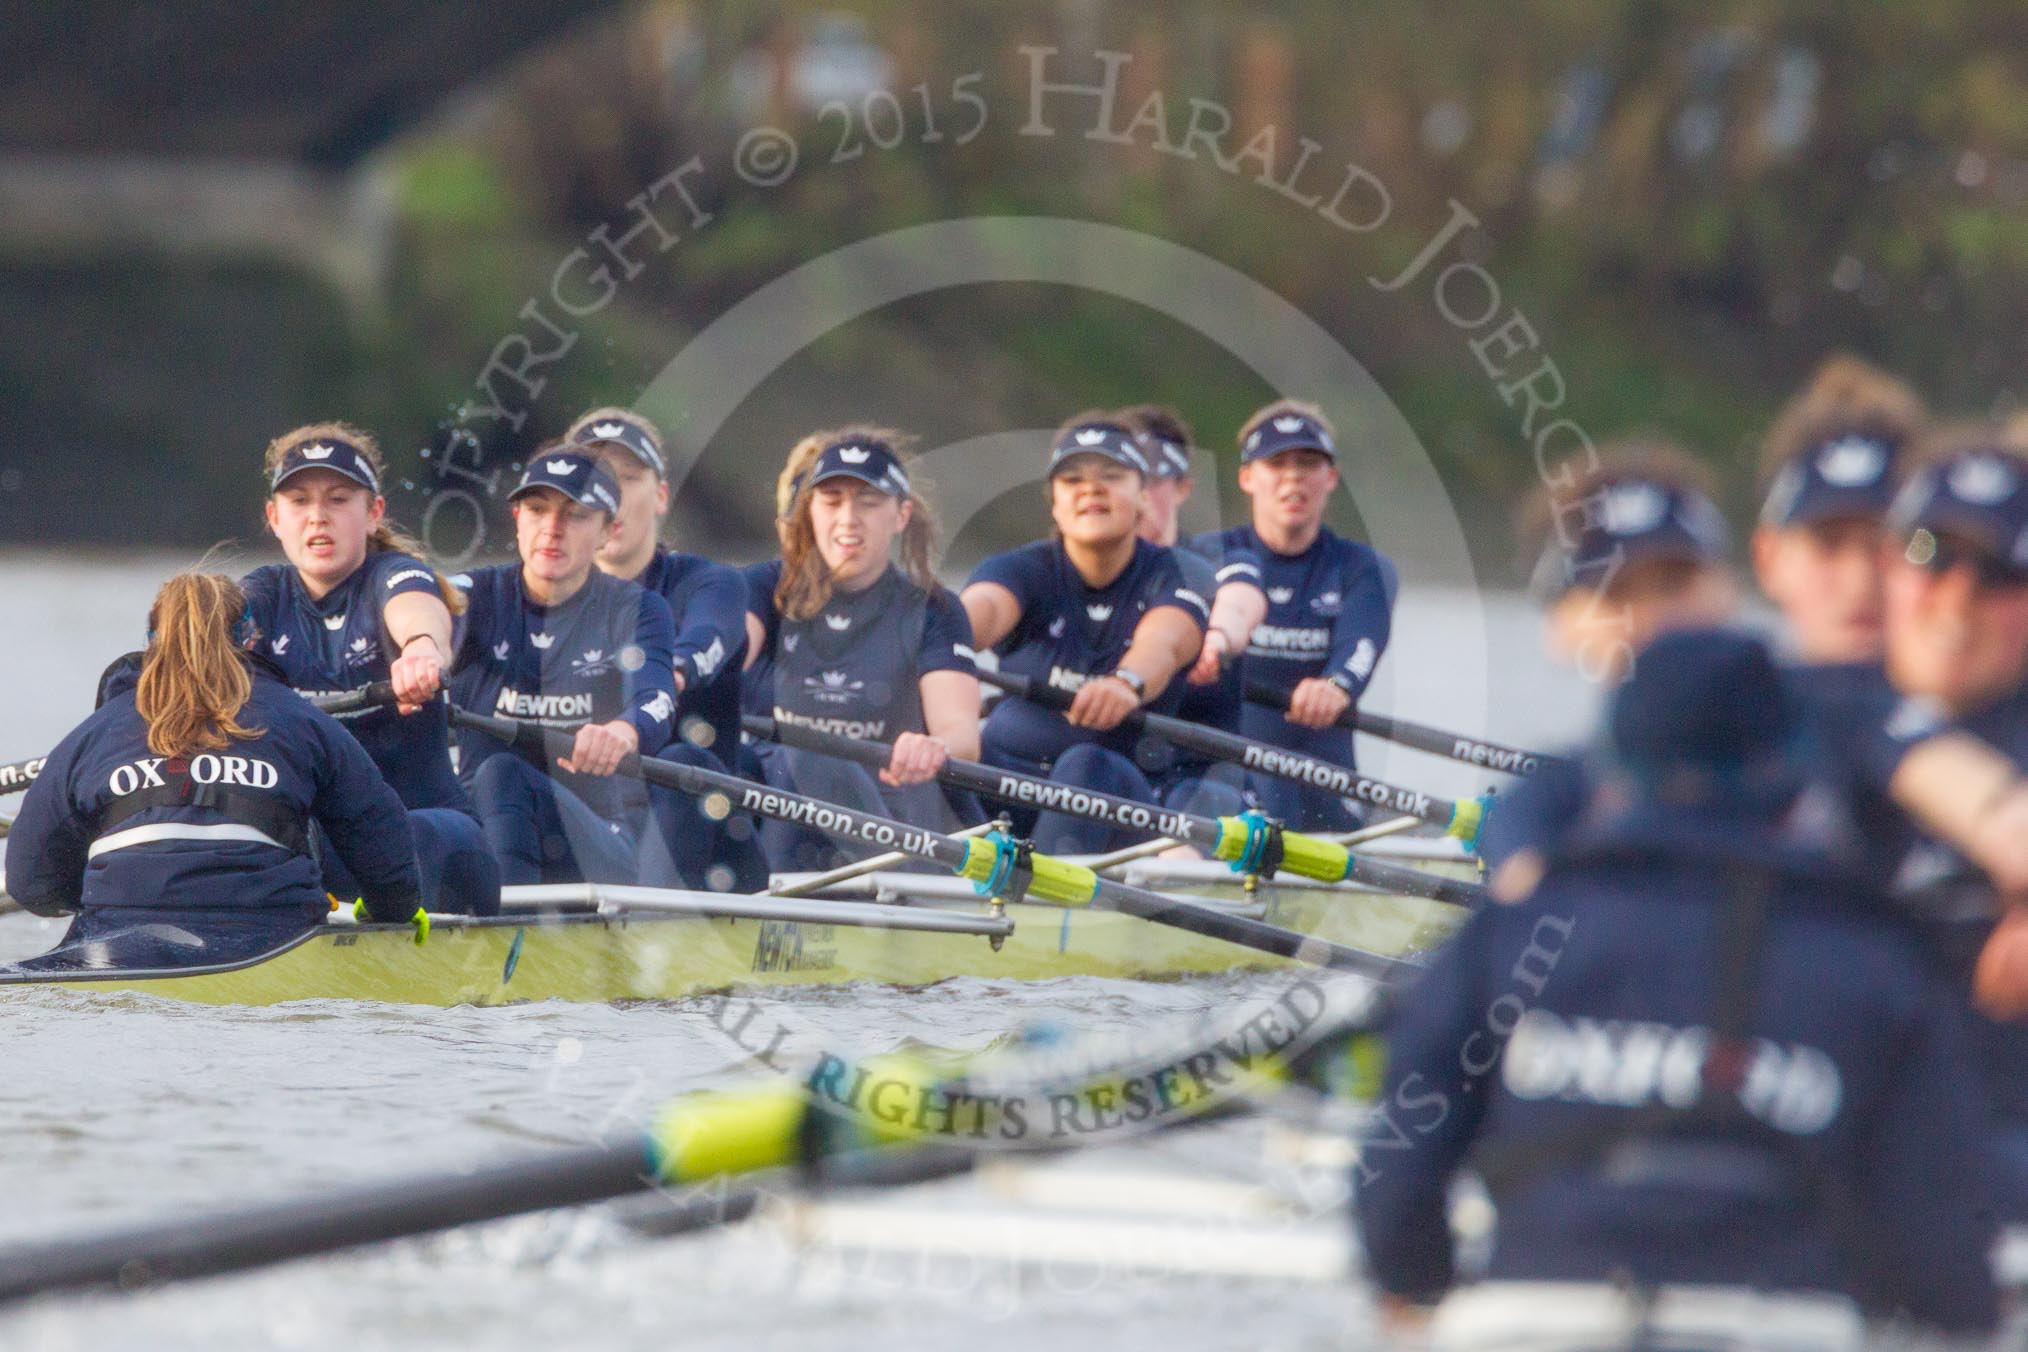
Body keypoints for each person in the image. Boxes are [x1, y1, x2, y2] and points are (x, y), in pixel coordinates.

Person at [1357, 628, 1999, 1350]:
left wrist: (1420, 1286)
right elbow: (1947, 1262)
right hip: (1781, 1320)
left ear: (1612, 771)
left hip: (1536, 1310)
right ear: (1793, 777)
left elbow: (1395, 1181)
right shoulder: (1876, 957)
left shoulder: (1517, 930)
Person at [8, 574, 424, 969]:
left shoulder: (93, 733)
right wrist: (391, 914)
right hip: (274, 940)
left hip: (114, 939)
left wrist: (94, 900)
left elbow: (31, 884)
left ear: (152, 641)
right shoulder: (306, 722)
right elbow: (387, 857)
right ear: (249, 639)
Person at [241, 422, 499, 916]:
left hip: (438, 842)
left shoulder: (393, 575)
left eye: (339, 499)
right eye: (299, 502)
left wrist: (422, 650)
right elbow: (209, 649)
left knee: (364, 836)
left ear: (374, 513)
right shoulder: (262, 594)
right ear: (275, 518)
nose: (318, 516)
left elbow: (418, 611)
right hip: (328, 845)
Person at [1477, 444, 1738, 885]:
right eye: (1614, 594)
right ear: (1562, 627)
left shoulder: (1836, 751)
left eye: (1672, 584)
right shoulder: (1535, 815)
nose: (1650, 618)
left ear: (1726, 590)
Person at [961, 414, 1209, 854]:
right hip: (1010, 784)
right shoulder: (1018, 570)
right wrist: (931, 645)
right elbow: (974, 617)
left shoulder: (1180, 575)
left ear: (1143, 497)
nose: (1091, 489)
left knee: (1085, 764)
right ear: (1054, 502)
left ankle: (1045, 907)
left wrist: (1126, 683)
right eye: (1073, 480)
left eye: (1111, 476)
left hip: (1118, 798)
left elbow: (1165, 641)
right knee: (945, 763)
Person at [742, 429, 981, 869]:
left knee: (813, 757)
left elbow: (962, 735)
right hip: (775, 798)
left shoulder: (932, 609)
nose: (849, 518)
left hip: (886, 806)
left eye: (868, 502)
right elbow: (725, 651)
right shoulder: (760, 590)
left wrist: (935, 747)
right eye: (832, 500)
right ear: (809, 512)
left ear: (901, 515)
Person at [450, 450, 680, 886]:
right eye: (537, 510)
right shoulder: (470, 595)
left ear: (607, 532)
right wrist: (420, 651)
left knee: (502, 772)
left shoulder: (638, 608)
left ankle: (505, 933)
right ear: (517, 518)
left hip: (593, 842)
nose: (552, 530)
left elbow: (657, 699)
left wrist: (621, 733)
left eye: (575, 515)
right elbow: (422, 612)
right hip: (480, 828)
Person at [566, 406, 765, 891]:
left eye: (627, 478)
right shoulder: (531, 599)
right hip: (594, 829)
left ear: (659, 497)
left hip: (710, 838)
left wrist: (662, 677)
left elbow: (705, 641)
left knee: (681, 760)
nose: (610, 494)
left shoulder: (710, 584)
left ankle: (649, 935)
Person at [1191, 400, 1396, 832]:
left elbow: (1361, 643)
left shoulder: (1361, 569)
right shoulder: (1205, 556)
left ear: (1331, 478)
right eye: (1277, 463)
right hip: (1223, 775)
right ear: (1247, 478)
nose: (1293, 476)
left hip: (1323, 773)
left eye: (1308, 463)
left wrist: (1336, 685)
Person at [1121, 405, 1265, 824]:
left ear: (1183, 487)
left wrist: (1217, 637)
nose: (1141, 494)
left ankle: (1176, 872)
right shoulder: (1077, 575)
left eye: (1153, 479)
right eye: (1126, 478)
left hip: (1201, 775)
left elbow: (1240, 601)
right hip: (1114, 771)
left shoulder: (1218, 559)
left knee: (1198, 801)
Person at [1751, 355, 1925, 665]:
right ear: (1769, 558)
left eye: (1885, 547)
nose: (1860, 581)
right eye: (1828, 545)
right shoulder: (1718, 708)